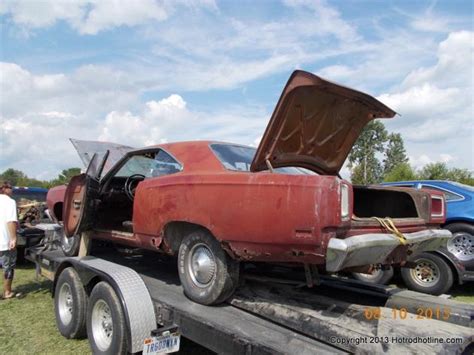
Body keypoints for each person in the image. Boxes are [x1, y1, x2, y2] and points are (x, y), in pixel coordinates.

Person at [0, 181, 19, 299]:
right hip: (4, 240)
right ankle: (7, 292)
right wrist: (13, 238)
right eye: (10, 187)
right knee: (8, 266)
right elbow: (11, 221)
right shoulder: (10, 202)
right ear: (4, 188)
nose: (12, 189)